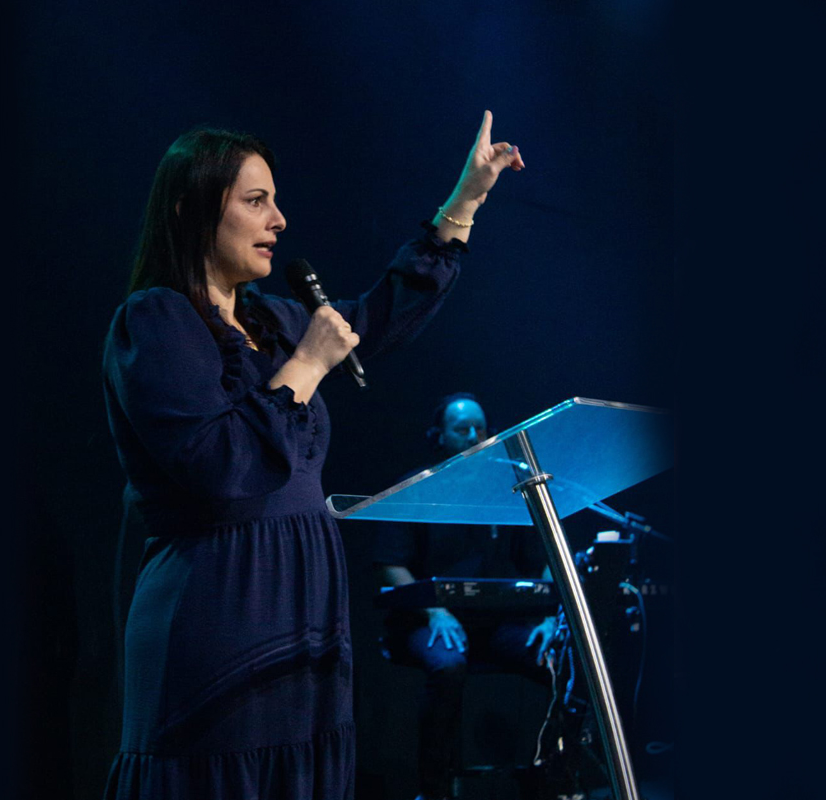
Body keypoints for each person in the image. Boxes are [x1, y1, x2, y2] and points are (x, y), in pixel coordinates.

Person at [102, 114, 525, 799]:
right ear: (190, 210)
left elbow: (381, 315)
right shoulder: (156, 320)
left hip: (304, 602)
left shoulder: (274, 320)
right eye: (255, 201)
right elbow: (220, 464)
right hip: (221, 600)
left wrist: (466, 199)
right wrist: (305, 367)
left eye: (274, 201)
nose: (279, 220)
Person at [373, 393, 557, 800]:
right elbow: (390, 563)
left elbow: (544, 559)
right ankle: (434, 788)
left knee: (561, 663)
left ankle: (558, 776)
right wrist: (435, 611)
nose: (475, 437)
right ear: (439, 436)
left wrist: (550, 618)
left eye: (481, 428)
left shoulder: (508, 488)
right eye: (462, 429)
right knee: (448, 665)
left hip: (499, 624)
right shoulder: (416, 488)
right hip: (430, 620)